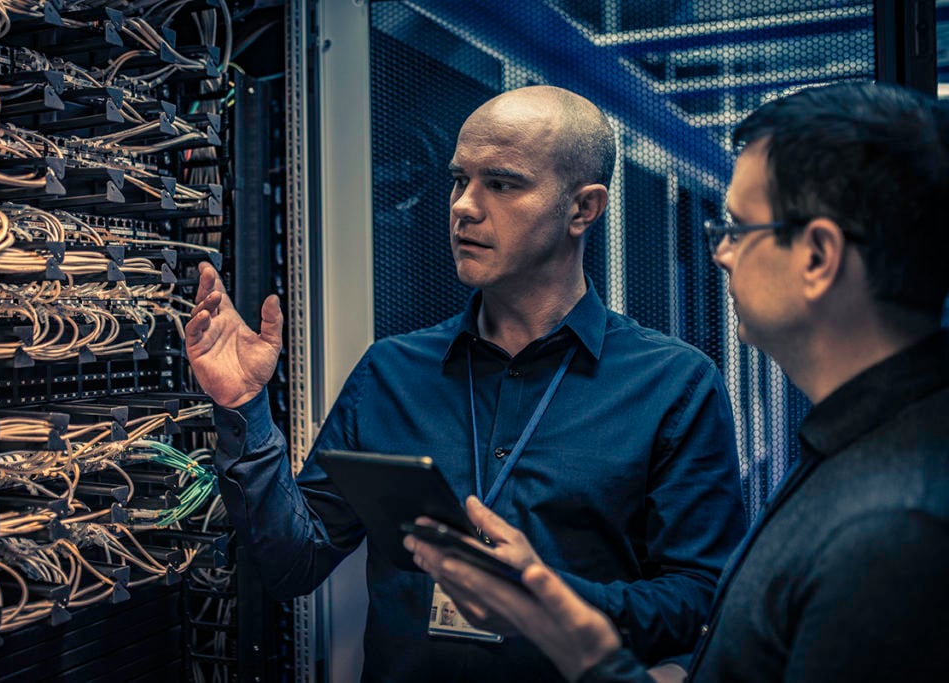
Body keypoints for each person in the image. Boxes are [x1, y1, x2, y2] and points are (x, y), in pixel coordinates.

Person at [185, 85, 746, 681]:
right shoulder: (391, 371)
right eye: (459, 180)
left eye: (501, 184)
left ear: (583, 208)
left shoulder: (674, 386)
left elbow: (703, 603)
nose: (462, 207)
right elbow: (295, 562)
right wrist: (244, 406)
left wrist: (544, 597)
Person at [405, 80, 949, 682]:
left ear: (818, 257)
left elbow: (700, 596)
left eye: (739, 230)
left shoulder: (892, 528)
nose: (720, 254)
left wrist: (590, 654)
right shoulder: (865, 456)